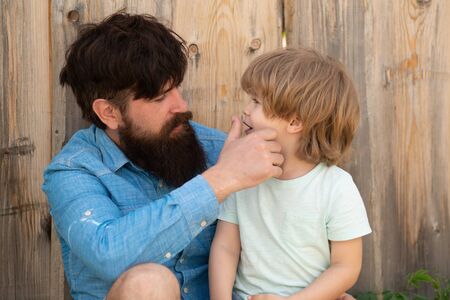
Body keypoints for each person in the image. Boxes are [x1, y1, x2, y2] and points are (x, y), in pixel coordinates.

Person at [42, 13, 285, 300]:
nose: (181, 105)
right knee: (148, 283)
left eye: (177, 88)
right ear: (109, 113)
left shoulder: (218, 149)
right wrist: (221, 179)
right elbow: (109, 255)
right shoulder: (73, 171)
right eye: (159, 98)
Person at [209, 48, 372, 300]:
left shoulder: (336, 187)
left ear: (295, 122)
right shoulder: (242, 177)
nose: (246, 110)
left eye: (257, 102)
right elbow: (225, 247)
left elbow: (346, 267)